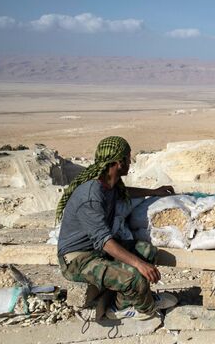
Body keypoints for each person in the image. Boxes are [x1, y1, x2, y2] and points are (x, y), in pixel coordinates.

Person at [55, 136, 174, 320]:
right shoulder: (91, 196)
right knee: (135, 275)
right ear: (119, 162)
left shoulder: (108, 185)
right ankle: (124, 308)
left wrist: (153, 192)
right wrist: (138, 264)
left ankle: (133, 299)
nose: (130, 161)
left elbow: (125, 193)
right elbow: (104, 242)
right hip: (78, 259)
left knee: (147, 251)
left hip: (96, 251)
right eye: (128, 157)